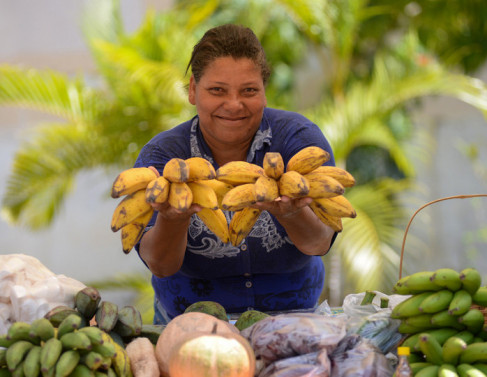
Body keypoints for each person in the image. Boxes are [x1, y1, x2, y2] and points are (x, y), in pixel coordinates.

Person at [133, 24, 338, 324]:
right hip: (190, 325)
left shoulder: (299, 143)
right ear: (193, 90)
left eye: (249, 90)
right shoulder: (163, 158)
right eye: (217, 90)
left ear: (264, 92)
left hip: (293, 321)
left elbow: (320, 243)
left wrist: (292, 214)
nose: (233, 104)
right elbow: (160, 265)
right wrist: (172, 218)